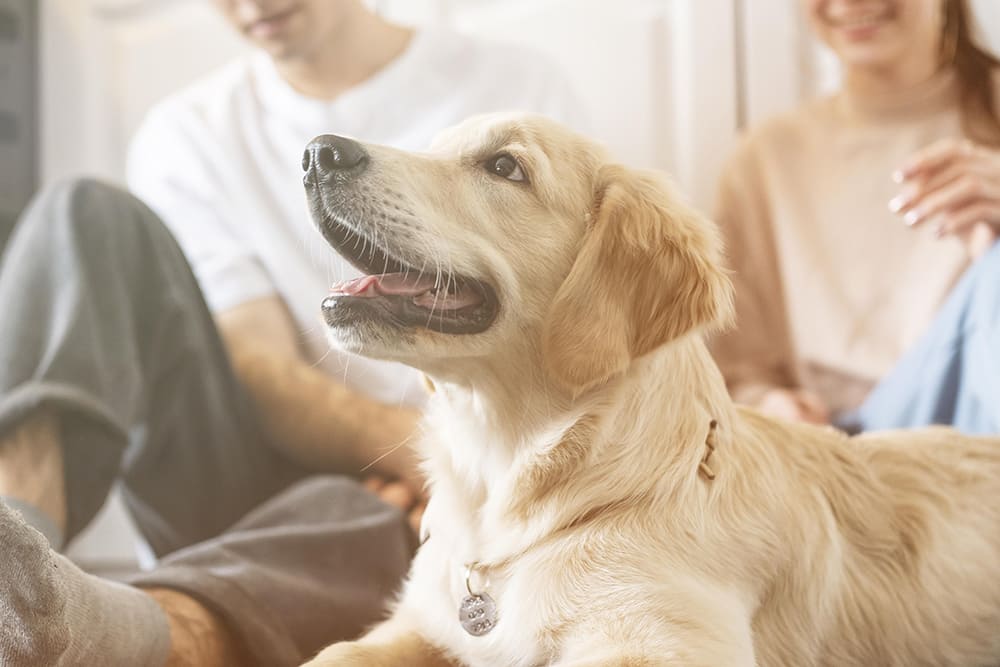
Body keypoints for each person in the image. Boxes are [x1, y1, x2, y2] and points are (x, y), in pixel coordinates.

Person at [0, 1, 584, 665]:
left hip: (430, 509)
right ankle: (15, 568)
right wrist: (413, 448)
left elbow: (580, 322)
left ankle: (141, 631)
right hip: (265, 472)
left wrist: (445, 467)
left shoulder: (514, 92)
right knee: (83, 214)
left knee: (343, 507)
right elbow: (257, 360)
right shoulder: (187, 133)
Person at [712, 0, 999, 434]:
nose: (848, 3)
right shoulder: (766, 157)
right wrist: (770, 405)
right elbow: (735, 370)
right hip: (841, 449)